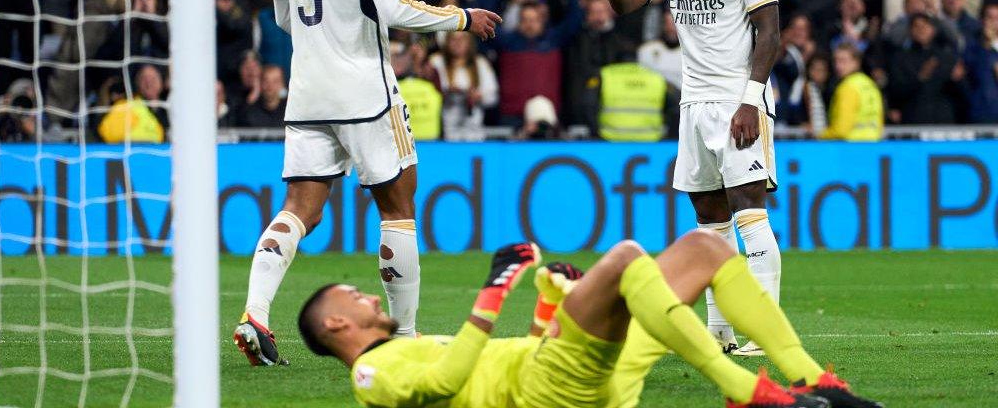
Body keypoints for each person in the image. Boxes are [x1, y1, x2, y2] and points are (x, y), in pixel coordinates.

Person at [232, 0, 500, 366]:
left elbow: (283, 14)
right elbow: (395, 10)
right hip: (364, 89)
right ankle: (403, 338)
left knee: (298, 209)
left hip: (306, 91)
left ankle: (255, 313)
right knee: (397, 207)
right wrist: (462, 17)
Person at [298, 234, 882, 408]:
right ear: (334, 326)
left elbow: (500, 363)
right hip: (550, 392)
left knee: (704, 248)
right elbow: (447, 381)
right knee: (627, 258)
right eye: (349, 295)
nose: (365, 295)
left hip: (563, 378)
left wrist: (548, 307)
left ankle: (809, 379)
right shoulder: (370, 378)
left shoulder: (413, 343)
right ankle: (746, 392)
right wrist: (493, 291)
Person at [583, 0, 783, 356]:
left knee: (748, 211)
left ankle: (764, 329)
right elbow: (627, 2)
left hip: (740, 99)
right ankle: (720, 332)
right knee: (709, 219)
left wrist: (751, 100)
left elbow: (770, 34)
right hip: (694, 104)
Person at [818, 43, 884, 141]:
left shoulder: (848, 87)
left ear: (856, 62)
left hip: (850, 147)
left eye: (843, 61)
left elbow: (841, 130)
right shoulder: (870, 85)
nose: (838, 66)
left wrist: (820, 135)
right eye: (836, 61)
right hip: (873, 145)